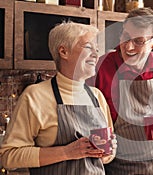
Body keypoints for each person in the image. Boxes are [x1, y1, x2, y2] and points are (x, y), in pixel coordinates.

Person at [0, 21, 116, 175]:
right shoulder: (35, 96)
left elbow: (105, 158)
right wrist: (67, 152)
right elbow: (9, 157)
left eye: (97, 49)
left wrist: (108, 152)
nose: (96, 54)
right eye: (88, 47)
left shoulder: (96, 96)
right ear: (63, 51)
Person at [90, 8, 153, 174]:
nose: (128, 47)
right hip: (123, 167)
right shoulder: (103, 67)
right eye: (125, 37)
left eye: (138, 41)